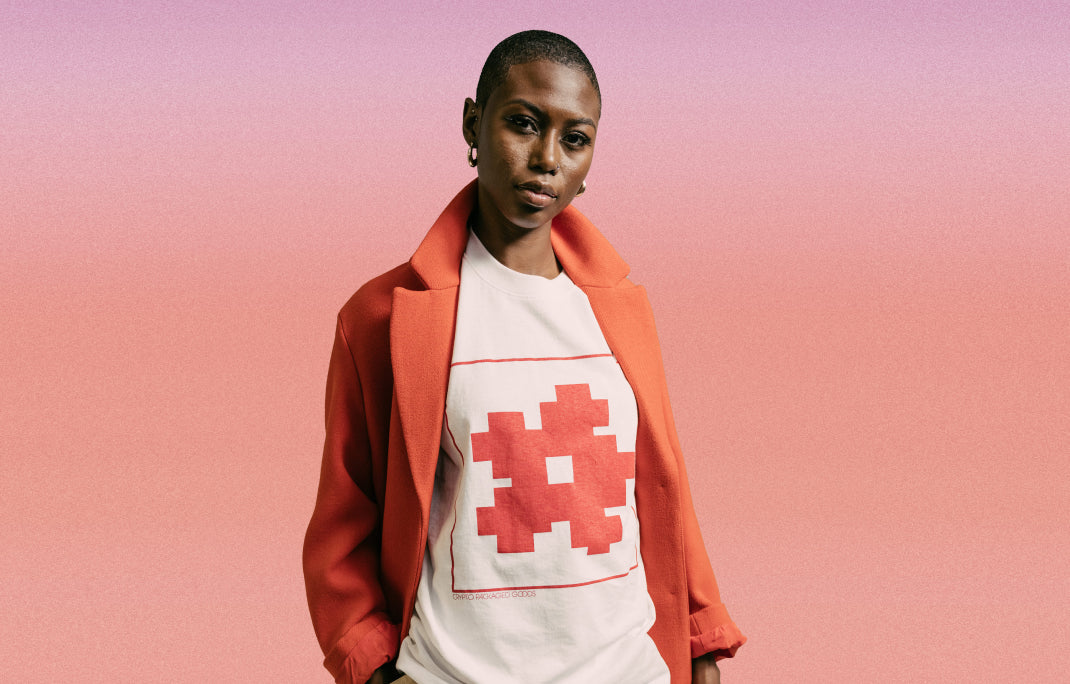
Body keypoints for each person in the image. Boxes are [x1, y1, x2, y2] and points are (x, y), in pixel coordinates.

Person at [303, 30, 745, 684]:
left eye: (575, 138)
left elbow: (659, 488)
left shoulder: (619, 308)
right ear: (472, 124)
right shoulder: (385, 316)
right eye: (523, 123)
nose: (546, 158)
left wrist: (700, 643)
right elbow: (344, 520)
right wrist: (372, 670)